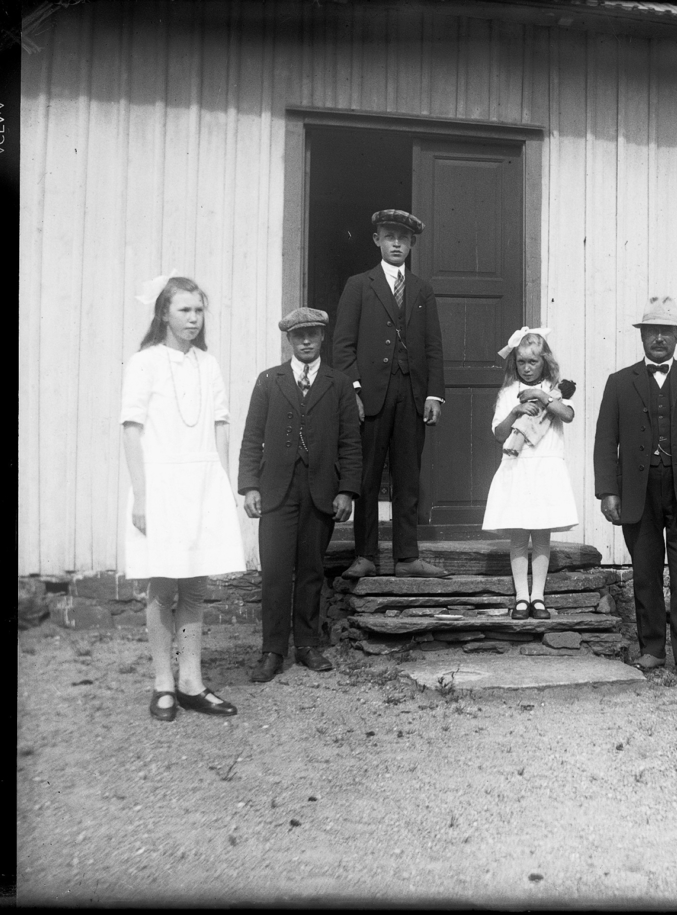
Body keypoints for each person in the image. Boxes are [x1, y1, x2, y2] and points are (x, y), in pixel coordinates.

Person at [120, 274, 246, 721]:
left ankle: (191, 681)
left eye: (198, 311)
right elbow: (131, 430)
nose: (193, 319)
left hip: (202, 482)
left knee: (195, 585)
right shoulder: (144, 362)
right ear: (163, 313)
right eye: (184, 310)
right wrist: (141, 496)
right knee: (162, 585)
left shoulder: (207, 364)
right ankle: (163, 683)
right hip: (161, 485)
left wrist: (222, 484)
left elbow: (220, 425)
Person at [593, 297, 677, 681]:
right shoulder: (620, 382)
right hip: (638, 491)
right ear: (642, 336)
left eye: (666, 332)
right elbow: (605, 441)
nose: (658, 338)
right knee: (645, 571)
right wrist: (608, 491)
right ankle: (651, 649)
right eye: (652, 331)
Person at [238, 308, 363, 682]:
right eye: (298, 335)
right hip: (277, 489)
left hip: (321, 490)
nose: (306, 340)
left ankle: (307, 645)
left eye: (312, 334)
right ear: (289, 340)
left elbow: (350, 442)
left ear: (322, 337)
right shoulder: (269, 380)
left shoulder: (339, 383)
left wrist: (346, 490)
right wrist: (250, 486)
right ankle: (272, 650)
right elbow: (251, 437)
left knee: (311, 570)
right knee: (276, 571)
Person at [331, 209, 448, 580]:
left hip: (411, 394)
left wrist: (434, 394)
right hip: (371, 395)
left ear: (411, 244)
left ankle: (407, 557)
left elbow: (433, 346)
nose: (396, 244)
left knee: (408, 476)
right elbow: (343, 344)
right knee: (365, 475)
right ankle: (365, 555)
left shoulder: (422, 289)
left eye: (403, 238)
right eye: (389, 237)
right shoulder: (358, 285)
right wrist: (353, 390)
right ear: (376, 240)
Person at [482, 328, 579, 619]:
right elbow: (499, 434)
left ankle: (538, 597)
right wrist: (516, 411)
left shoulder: (555, 389)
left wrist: (540, 395)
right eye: (521, 362)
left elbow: (567, 415)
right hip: (518, 465)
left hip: (546, 466)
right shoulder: (508, 392)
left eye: (533, 362)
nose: (526, 368)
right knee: (519, 534)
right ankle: (521, 598)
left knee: (541, 534)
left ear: (544, 362)